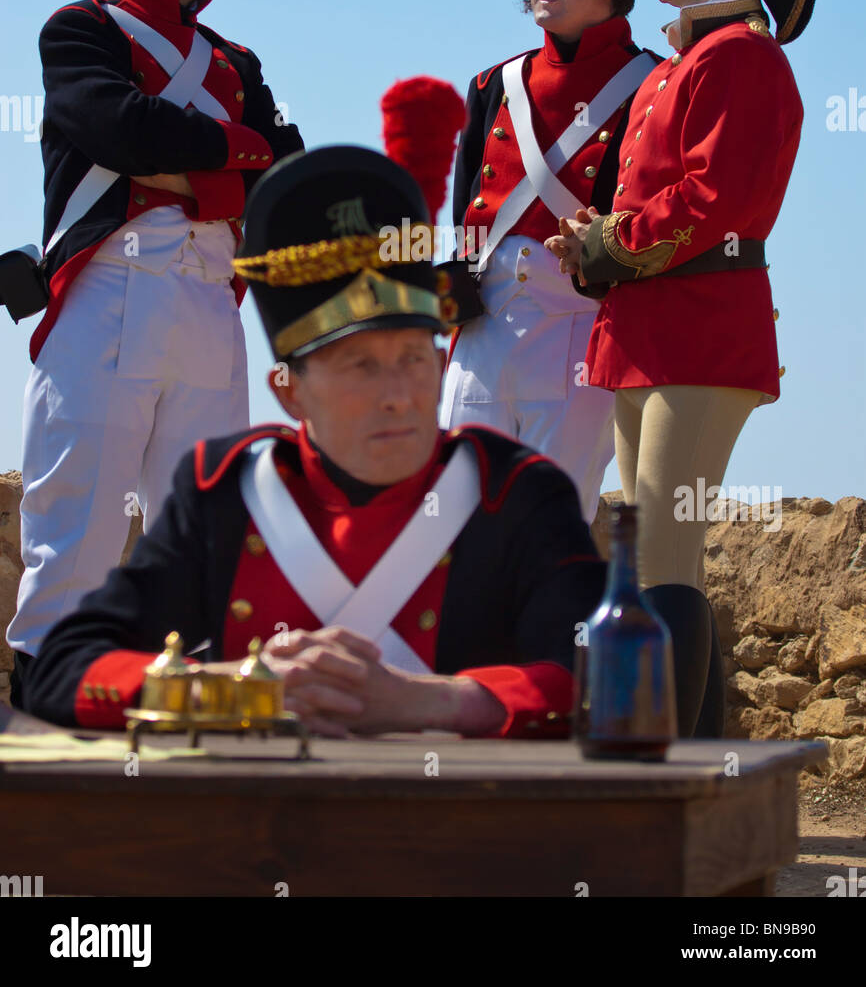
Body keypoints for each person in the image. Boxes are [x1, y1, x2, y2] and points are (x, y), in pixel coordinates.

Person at [22, 146, 607, 738]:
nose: (398, 395)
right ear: (289, 393)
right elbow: (65, 667)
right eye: (359, 366)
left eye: (412, 359)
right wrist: (234, 693)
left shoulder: (517, 495)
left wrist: (427, 702)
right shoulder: (224, 494)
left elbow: (601, 675)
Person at [7, 0, 303, 700]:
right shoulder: (80, 31)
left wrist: (192, 173)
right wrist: (233, 159)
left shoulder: (235, 59)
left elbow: (285, 171)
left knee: (206, 539)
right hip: (108, 297)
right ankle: (44, 765)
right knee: (75, 548)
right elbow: (114, 126)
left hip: (212, 309)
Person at [545, 0, 818, 736]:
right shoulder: (683, 65)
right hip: (653, 331)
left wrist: (607, 244)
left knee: (663, 558)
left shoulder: (741, 59)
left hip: (700, 333)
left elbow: (715, 203)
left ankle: (684, 785)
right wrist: (596, 250)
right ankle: (695, 773)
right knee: (657, 556)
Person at [439, 0, 658, 524]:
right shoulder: (492, 85)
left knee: (547, 528)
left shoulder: (652, 84)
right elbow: (465, 209)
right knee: (449, 520)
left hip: (580, 332)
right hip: (483, 329)